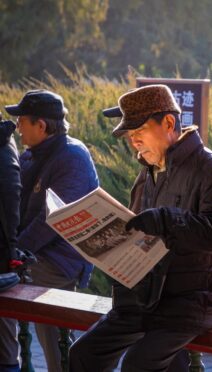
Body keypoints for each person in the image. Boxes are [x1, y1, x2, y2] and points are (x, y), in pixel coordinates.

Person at [69, 84, 212, 372]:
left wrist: (166, 220)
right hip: (145, 298)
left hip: (191, 301)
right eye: (130, 136)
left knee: (139, 364)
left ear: (169, 123)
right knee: (84, 353)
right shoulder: (146, 175)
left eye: (139, 132)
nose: (133, 142)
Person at [4, 90, 99, 372]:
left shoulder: (72, 156)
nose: (17, 128)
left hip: (58, 259)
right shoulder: (31, 155)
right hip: (35, 252)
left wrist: (15, 253)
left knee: (53, 339)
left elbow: (52, 220)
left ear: (41, 126)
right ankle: (8, 362)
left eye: (22, 121)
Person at [0, 117, 22, 372]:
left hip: (4, 257)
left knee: (5, 352)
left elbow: (10, 202)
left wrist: (12, 249)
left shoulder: (4, 148)